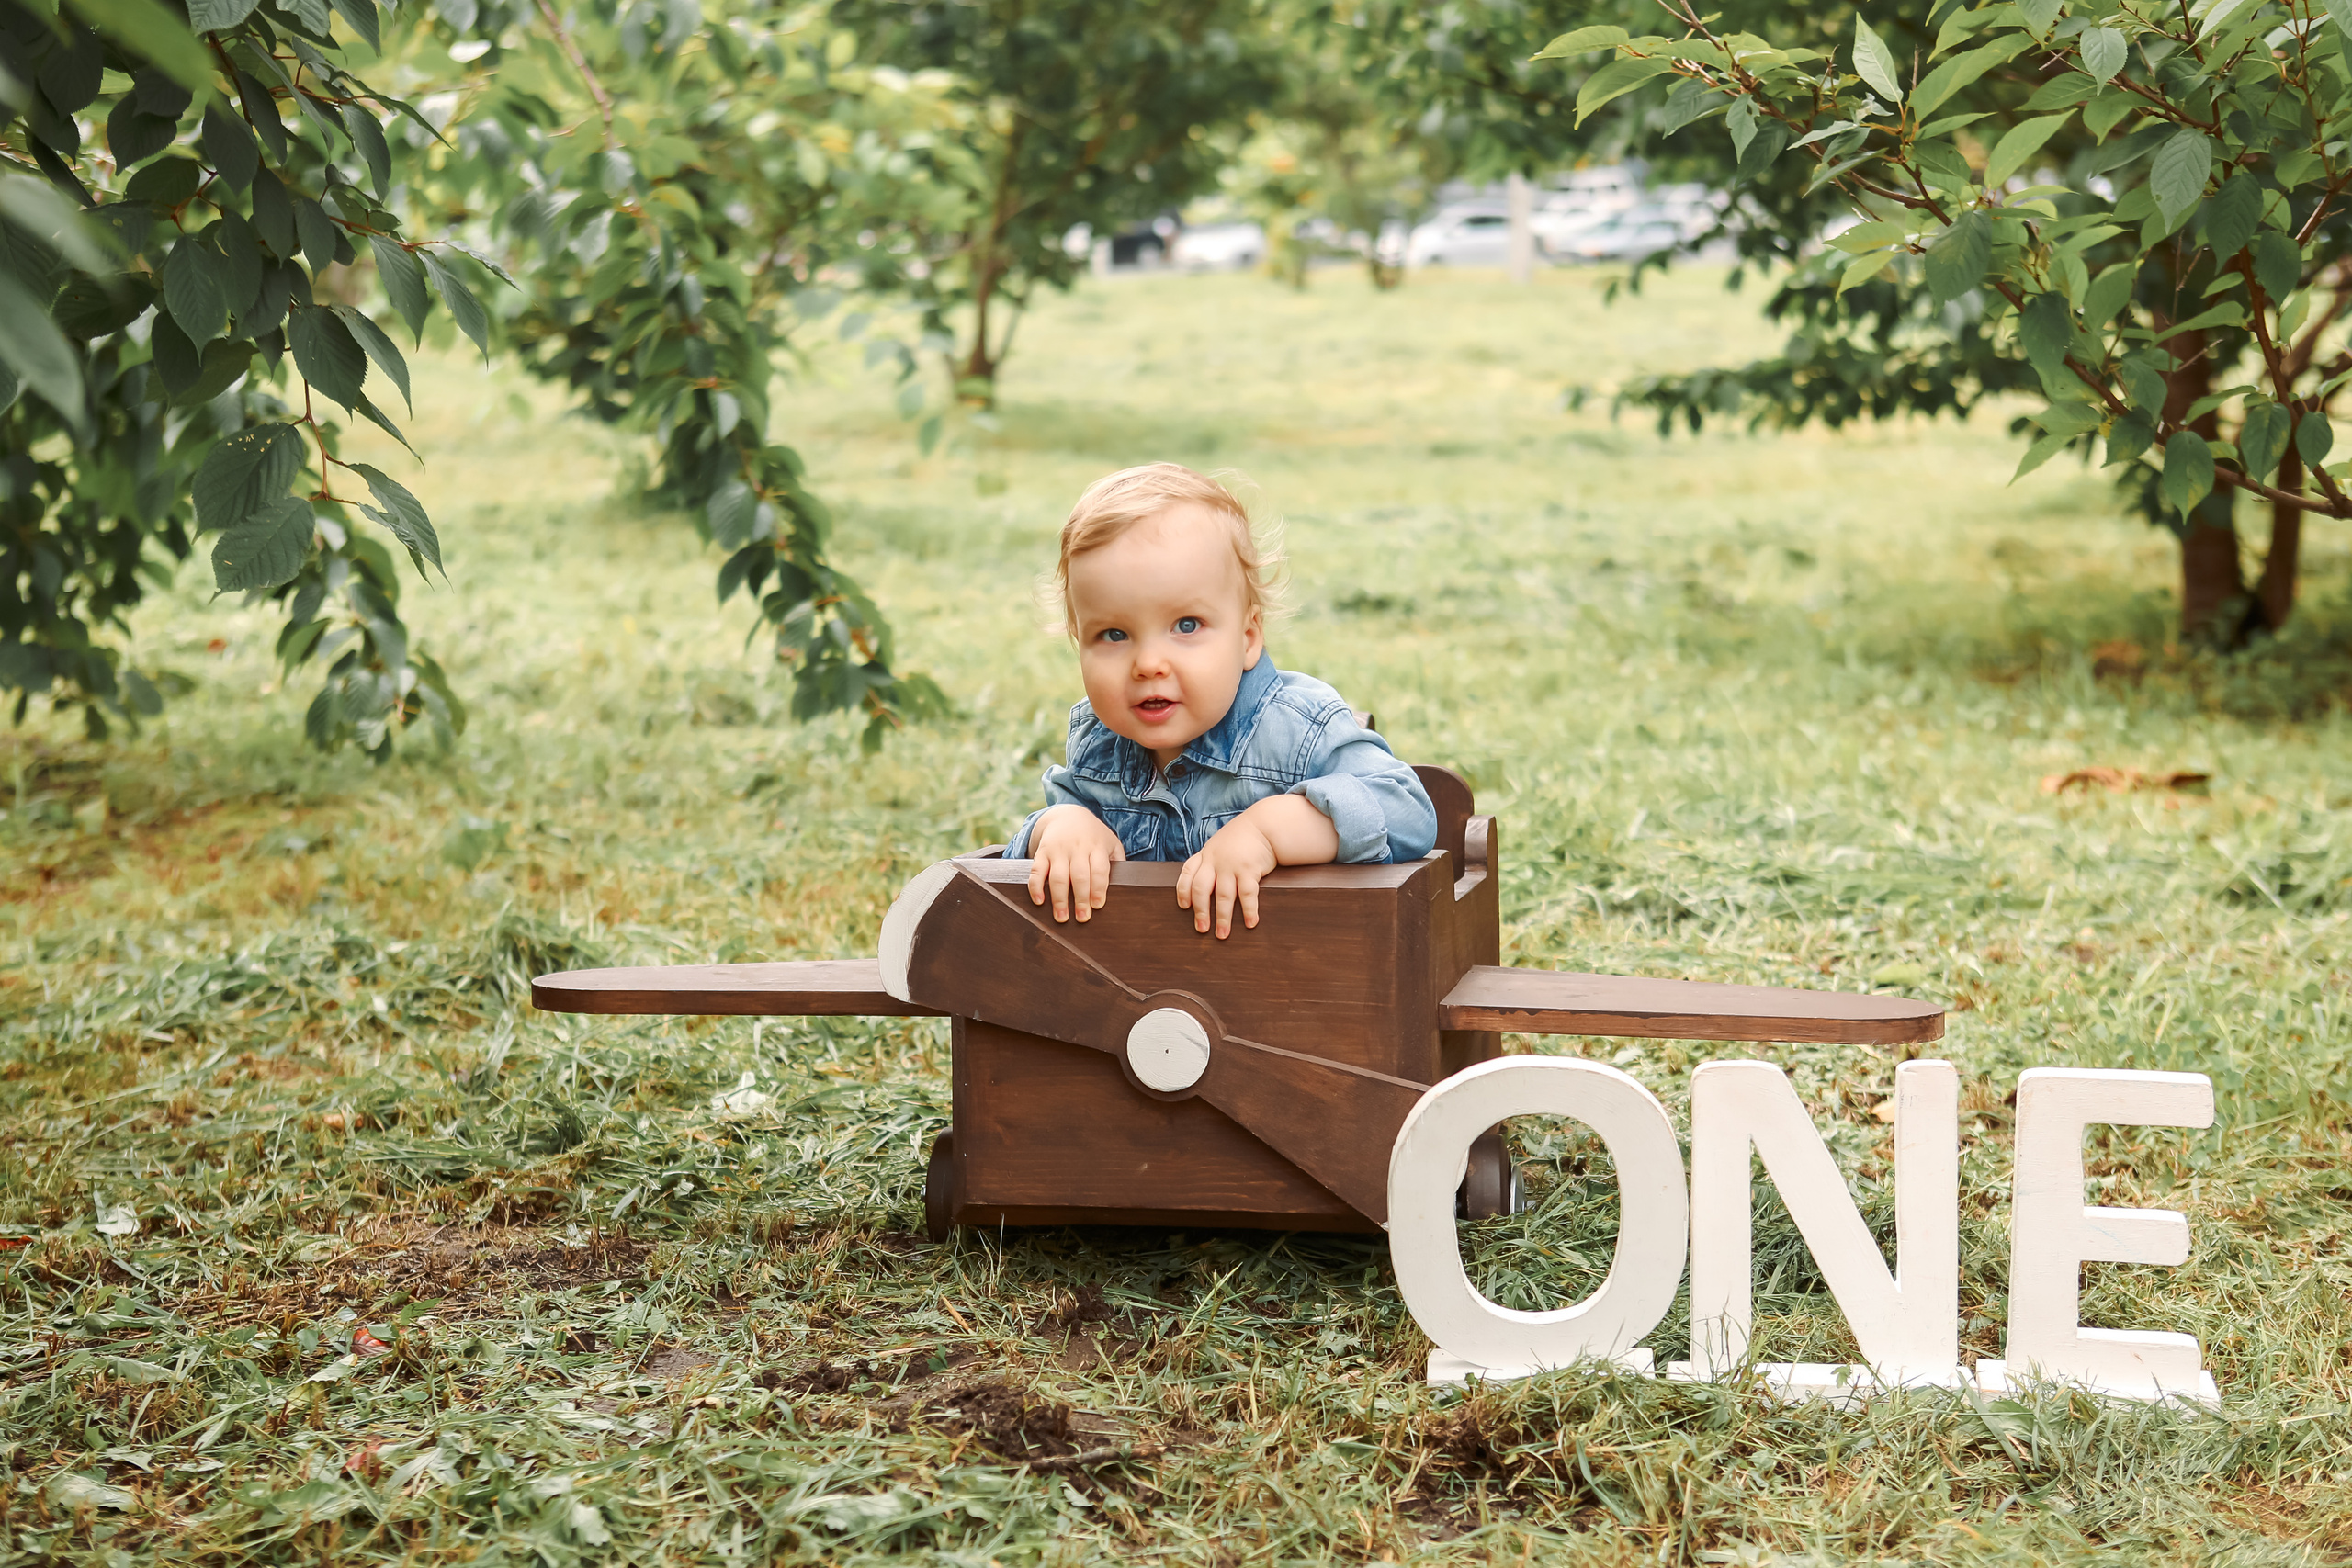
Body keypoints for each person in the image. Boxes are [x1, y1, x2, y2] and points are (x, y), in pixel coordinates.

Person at [1006, 463, 1436, 939]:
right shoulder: (1098, 743)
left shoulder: (1297, 729)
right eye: (1113, 634)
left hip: (1304, 982)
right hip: (1150, 989)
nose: (1148, 663)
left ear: (1249, 636)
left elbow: (1408, 813)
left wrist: (1271, 830)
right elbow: (1023, 861)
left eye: (1186, 626)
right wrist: (1061, 826)